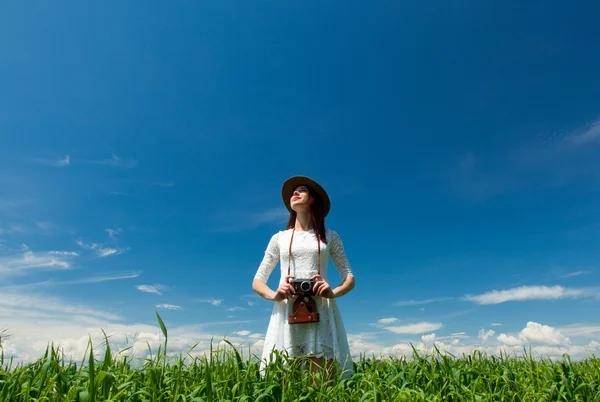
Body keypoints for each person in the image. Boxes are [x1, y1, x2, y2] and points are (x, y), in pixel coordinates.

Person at [252, 176, 356, 383]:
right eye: (293, 192)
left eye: (301, 191)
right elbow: (257, 281)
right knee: (286, 381)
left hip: (321, 309)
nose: (295, 194)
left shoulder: (329, 237)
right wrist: (275, 294)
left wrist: (331, 292)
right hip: (286, 309)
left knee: (322, 383)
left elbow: (349, 277)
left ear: (313, 200)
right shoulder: (279, 238)